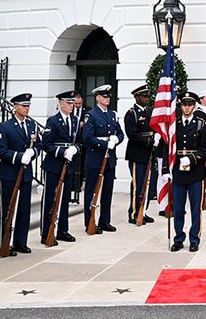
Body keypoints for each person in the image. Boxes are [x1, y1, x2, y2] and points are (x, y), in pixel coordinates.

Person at [169, 92, 206, 252]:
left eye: (189, 104)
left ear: (194, 106)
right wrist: (164, 170)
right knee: (178, 208)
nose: (187, 107)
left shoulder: (201, 124)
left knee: (196, 208)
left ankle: (194, 239)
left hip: (195, 170)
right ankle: (178, 238)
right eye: (184, 104)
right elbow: (167, 147)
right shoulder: (173, 124)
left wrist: (193, 158)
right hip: (178, 171)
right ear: (180, 106)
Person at [0, 93, 39, 255]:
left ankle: (21, 241)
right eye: (23, 106)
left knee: (24, 209)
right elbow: (1, 150)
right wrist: (20, 157)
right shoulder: (5, 126)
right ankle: (5, 243)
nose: (26, 108)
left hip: (26, 173)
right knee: (8, 209)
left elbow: (38, 146)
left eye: (28, 106)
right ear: (15, 107)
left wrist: (33, 153)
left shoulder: (32, 125)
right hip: (9, 173)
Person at [81, 84, 125, 232]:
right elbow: (87, 138)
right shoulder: (91, 115)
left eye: (108, 96)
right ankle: (89, 221)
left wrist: (116, 140)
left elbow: (120, 134)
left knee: (107, 191)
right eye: (104, 96)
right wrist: (105, 143)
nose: (107, 99)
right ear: (97, 98)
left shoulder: (112, 114)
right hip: (95, 158)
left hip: (110, 160)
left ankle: (105, 221)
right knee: (91, 192)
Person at [40, 90, 80, 244]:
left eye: (72, 103)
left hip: (68, 164)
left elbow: (79, 141)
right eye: (69, 103)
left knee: (65, 199)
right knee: (50, 198)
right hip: (54, 164)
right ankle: (46, 232)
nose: (71, 106)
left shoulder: (75, 120)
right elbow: (46, 145)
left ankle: (63, 230)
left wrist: (75, 149)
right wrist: (62, 152)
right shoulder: (53, 121)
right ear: (60, 103)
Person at [124, 84, 157, 225]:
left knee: (147, 184)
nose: (146, 99)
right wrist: (150, 141)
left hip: (149, 152)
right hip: (137, 154)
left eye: (148, 96)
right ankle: (134, 213)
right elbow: (132, 135)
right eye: (144, 96)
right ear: (136, 97)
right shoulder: (132, 114)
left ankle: (143, 210)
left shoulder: (149, 112)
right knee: (138, 185)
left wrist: (157, 137)